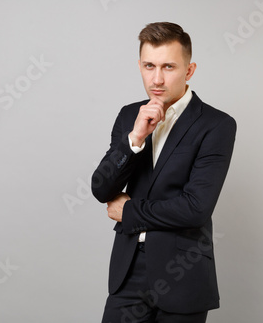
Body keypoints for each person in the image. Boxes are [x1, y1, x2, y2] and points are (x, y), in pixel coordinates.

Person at [92, 22, 236, 323]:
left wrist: (129, 211)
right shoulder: (130, 115)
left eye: (168, 66)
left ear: (189, 70)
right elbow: (101, 189)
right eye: (149, 66)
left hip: (183, 274)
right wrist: (135, 140)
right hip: (128, 272)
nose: (157, 78)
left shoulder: (217, 125)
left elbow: (195, 208)